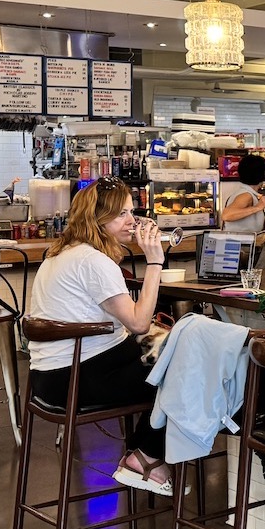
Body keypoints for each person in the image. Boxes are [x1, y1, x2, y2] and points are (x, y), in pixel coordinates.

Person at [26, 177, 176, 495]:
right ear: (97, 218)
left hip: (47, 380)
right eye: (121, 213)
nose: (132, 221)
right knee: (182, 366)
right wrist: (155, 261)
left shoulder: (61, 254)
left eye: (131, 212)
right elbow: (137, 322)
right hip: (76, 379)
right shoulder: (93, 261)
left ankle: (142, 454)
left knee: (172, 354)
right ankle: (145, 457)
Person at [220, 153, 265, 234]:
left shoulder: (250, 194)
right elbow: (226, 215)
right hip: (238, 244)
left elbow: (259, 227)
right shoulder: (246, 195)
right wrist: (258, 207)